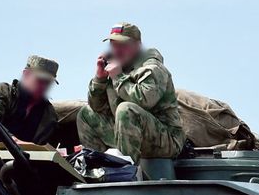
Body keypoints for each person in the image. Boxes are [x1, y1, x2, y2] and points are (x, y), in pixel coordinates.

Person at [77, 23, 185, 161]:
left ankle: (124, 173)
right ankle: (99, 168)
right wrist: (100, 79)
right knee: (86, 114)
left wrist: (118, 77)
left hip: (166, 140)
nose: (117, 50)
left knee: (126, 109)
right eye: (113, 45)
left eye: (123, 45)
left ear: (138, 45)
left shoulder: (152, 67)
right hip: (128, 134)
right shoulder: (115, 65)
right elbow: (97, 107)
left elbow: (144, 101)